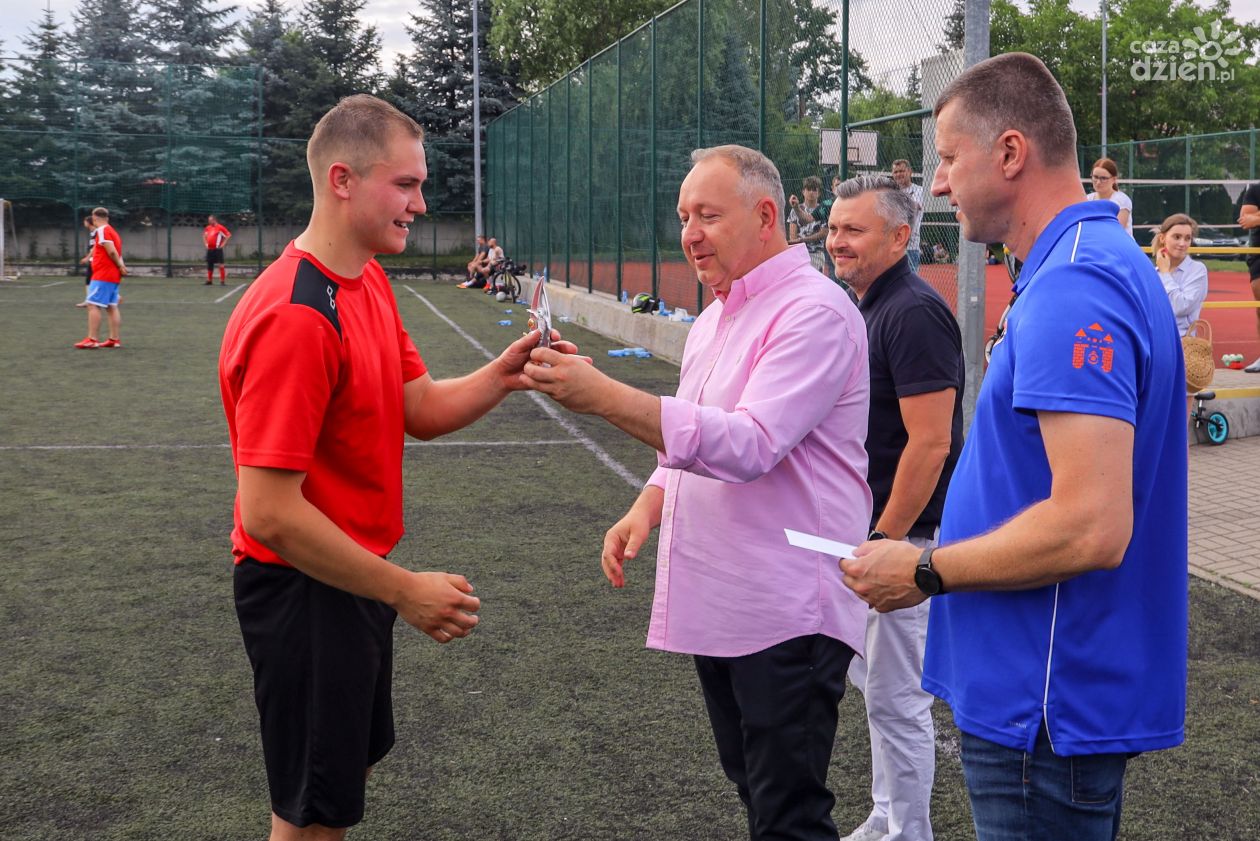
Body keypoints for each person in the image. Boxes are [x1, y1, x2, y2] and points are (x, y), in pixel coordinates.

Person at [841, 53, 1187, 841]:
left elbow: (1091, 525)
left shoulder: (1075, 287)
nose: (937, 183)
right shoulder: (1083, 267)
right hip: (1045, 695)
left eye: (948, 158)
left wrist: (924, 568)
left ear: (1009, 153)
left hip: (1044, 702)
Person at [218, 94, 577, 841]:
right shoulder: (298, 315)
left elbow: (419, 405)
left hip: (349, 579)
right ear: (343, 180)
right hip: (306, 590)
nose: (420, 204)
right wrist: (404, 590)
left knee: (338, 789)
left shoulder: (367, 278)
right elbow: (269, 513)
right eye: (405, 185)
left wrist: (504, 373)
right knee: (310, 818)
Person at [523, 144, 872, 840]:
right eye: (684, 216)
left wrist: (604, 396)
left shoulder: (815, 311)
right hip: (726, 593)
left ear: (766, 216)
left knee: (788, 814)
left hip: (786, 603)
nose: (689, 233)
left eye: (708, 215)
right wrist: (648, 503)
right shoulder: (715, 316)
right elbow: (695, 430)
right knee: (756, 790)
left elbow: (749, 443)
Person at [827, 174, 964, 841]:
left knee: (898, 699)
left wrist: (885, 540)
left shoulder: (911, 310)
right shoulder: (870, 304)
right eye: (833, 228)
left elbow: (931, 442)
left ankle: (909, 831)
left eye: (854, 229)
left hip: (907, 539)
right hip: (878, 533)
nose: (837, 241)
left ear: (900, 237)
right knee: (878, 692)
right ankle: (887, 815)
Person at [74, 206, 126, 349]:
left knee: (92, 304)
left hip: (103, 274)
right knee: (111, 306)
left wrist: (120, 265)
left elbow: (112, 252)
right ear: (107, 218)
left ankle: (92, 339)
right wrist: (121, 266)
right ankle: (114, 339)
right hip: (112, 274)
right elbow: (117, 252)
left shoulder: (102, 230)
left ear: (94, 217)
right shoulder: (113, 231)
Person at [1151, 213, 1208, 337]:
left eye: (1187, 238)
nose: (1182, 243)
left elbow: (1180, 307)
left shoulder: (1197, 270)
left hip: (1182, 340)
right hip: (1154, 338)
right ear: (1162, 238)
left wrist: (1165, 273)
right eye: (1176, 237)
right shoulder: (1153, 273)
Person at [1237, 182, 1260, 371]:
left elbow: (1254, 219)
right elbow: (1245, 220)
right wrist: (1253, 219)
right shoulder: (1255, 189)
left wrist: (1258, 217)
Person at [788, 175, 829, 271]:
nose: (811, 192)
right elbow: (792, 235)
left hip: (816, 253)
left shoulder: (823, 210)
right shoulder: (795, 209)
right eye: (808, 189)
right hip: (799, 253)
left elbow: (823, 233)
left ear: (819, 193)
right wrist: (797, 245)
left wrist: (802, 240)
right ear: (803, 191)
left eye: (814, 190)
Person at [1086, 157, 1134, 238]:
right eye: (1095, 177)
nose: (1098, 182)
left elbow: (1116, 232)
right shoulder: (1087, 199)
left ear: (1114, 179)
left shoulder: (1121, 200)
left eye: (1103, 178)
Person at [890, 160, 924, 270]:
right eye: (895, 172)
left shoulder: (919, 190)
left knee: (910, 276)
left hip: (911, 245)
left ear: (909, 172)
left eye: (901, 171)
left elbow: (914, 207)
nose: (898, 174)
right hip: (892, 244)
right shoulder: (891, 192)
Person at [75, 215, 97, 308]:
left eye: (85, 221)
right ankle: (89, 300)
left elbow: (96, 248)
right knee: (90, 280)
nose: (84, 223)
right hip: (94, 260)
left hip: (96, 261)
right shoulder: (93, 233)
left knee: (92, 280)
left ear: (89, 222)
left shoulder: (97, 232)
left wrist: (87, 258)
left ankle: (89, 301)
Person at [204, 214, 232, 285]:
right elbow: (204, 236)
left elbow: (228, 235)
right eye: (209, 220)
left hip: (217, 249)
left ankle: (222, 281)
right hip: (210, 249)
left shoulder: (220, 227)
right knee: (209, 264)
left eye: (210, 220)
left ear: (214, 220)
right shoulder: (208, 228)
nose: (209, 222)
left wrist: (223, 244)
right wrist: (206, 244)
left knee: (221, 265)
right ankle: (209, 280)